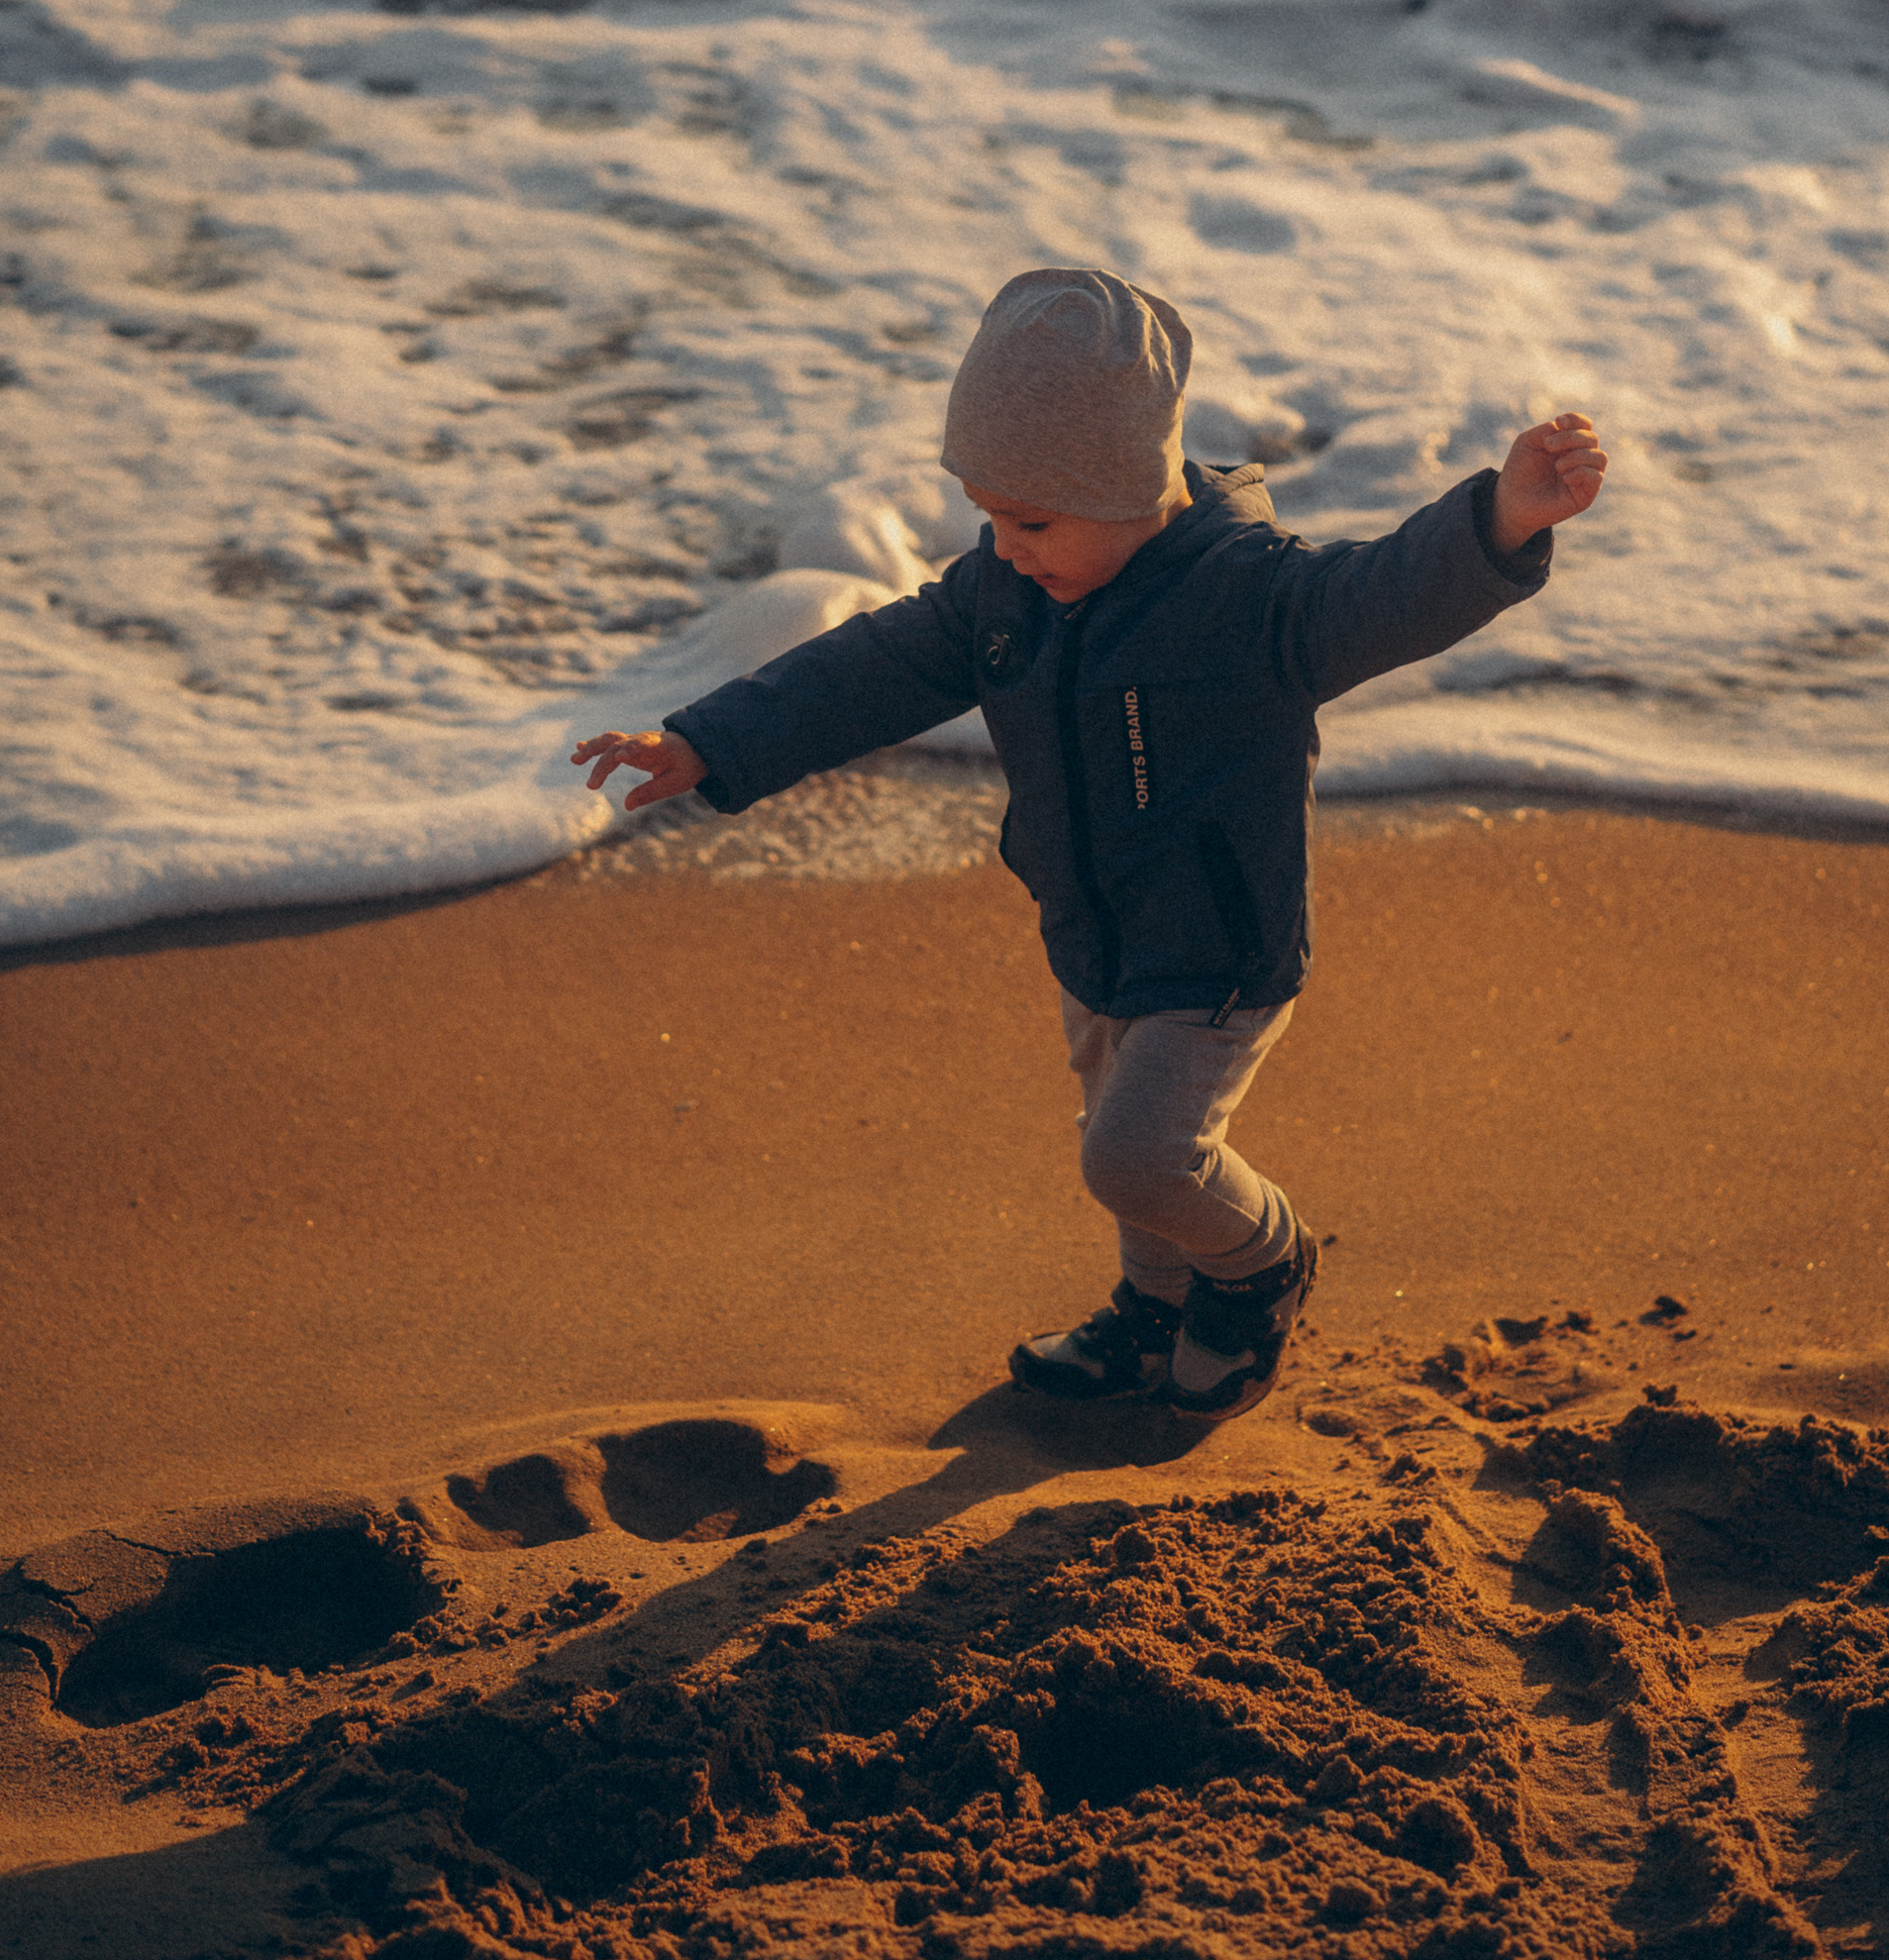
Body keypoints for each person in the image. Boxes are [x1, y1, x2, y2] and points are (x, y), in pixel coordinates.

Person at [575, 267, 1607, 1423]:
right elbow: (872, 668)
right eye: (988, 517)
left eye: (1031, 521)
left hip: (1215, 949)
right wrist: (708, 743)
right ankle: (1147, 1318)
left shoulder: (1249, 602)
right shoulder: (1007, 591)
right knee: (1116, 1129)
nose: (1005, 550)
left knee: (1136, 1155)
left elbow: (1386, 591)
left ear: (1127, 488)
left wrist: (1501, 519)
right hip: (1087, 927)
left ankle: (1260, 1263)